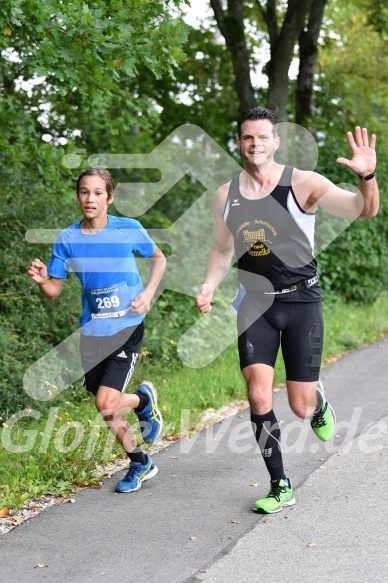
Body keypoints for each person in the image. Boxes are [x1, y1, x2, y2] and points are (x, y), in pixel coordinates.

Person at [195, 107, 379, 514]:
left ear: (275, 142)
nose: (255, 143)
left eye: (262, 136)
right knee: (258, 394)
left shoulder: (303, 184)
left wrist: (366, 177)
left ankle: (317, 398)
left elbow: (363, 210)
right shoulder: (226, 195)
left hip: (302, 301)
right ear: (239, 143)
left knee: (300, 405)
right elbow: (223, 250)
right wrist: (209, 283)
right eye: (247, 137)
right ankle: (280, 484)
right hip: (255, 303)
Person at [27, 168, 166, 494]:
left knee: (106, 402)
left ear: (109, 197)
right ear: (78, 196)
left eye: (98, 193)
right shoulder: (67, 239)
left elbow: (159, 259)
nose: (90, 199)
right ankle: (141, 451)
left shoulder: (127, 229)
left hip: (126, 324)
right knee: (106, 408)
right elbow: (54, 291)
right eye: (84, 192)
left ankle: (140, 429)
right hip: (92, 330)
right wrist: (42, 281)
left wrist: (147, 293)